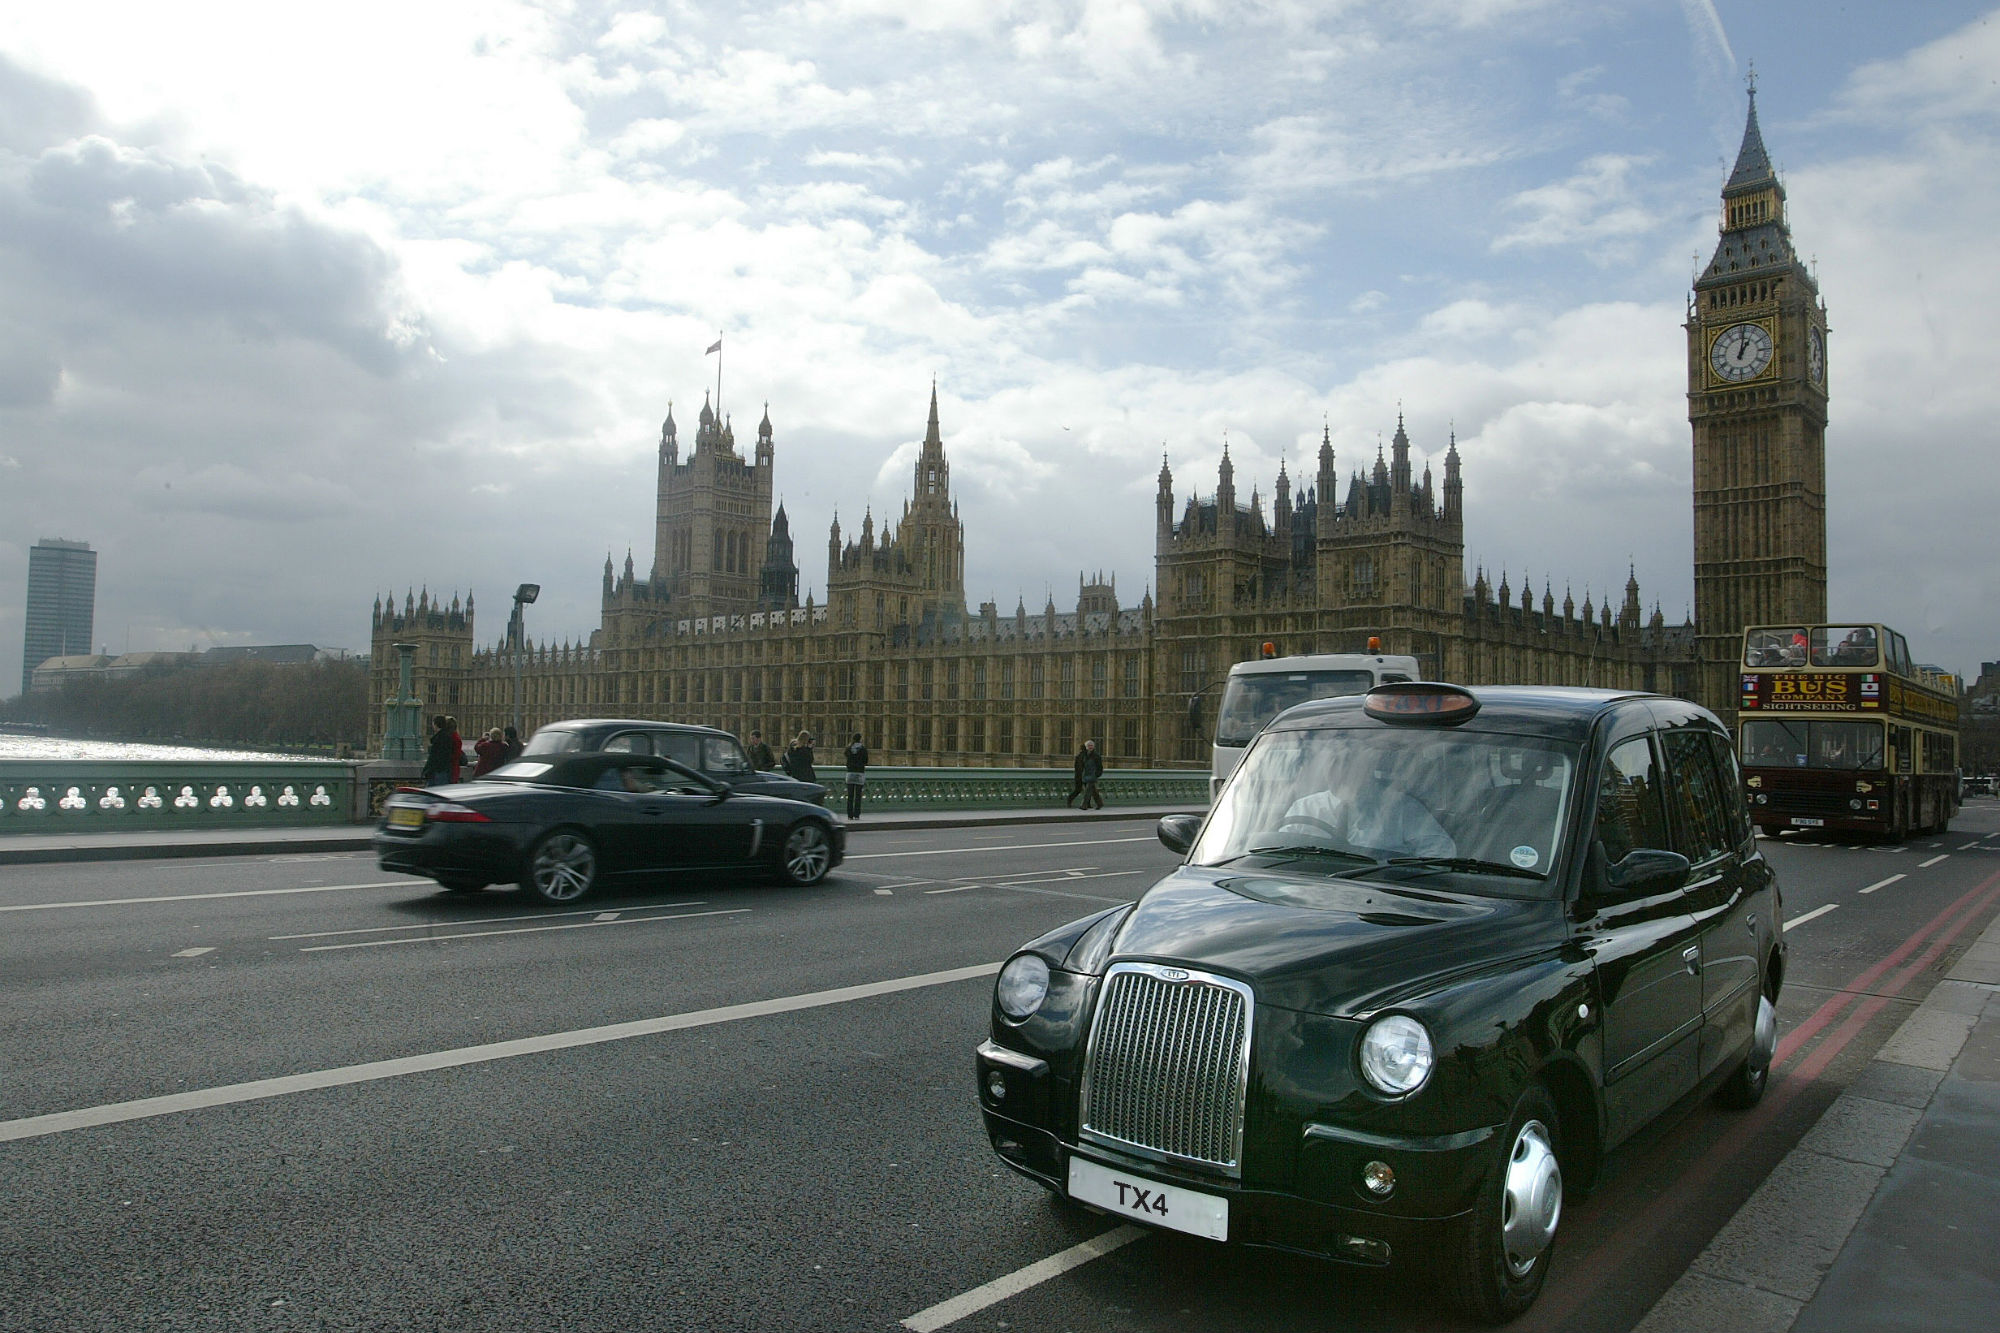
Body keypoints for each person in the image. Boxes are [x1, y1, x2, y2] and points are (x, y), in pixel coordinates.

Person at [421, 714, 455, 786]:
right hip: (440, 770)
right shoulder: (446, 736)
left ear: (436, 724)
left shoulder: (440, 738)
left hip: (438, 771)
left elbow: (435, 756)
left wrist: (427, 769)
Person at [843, 731, 869, 819]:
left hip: (850, 773)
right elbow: (866, 761)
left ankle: (849, 815)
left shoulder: (849, 748)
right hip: (859, 773)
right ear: (860, 739)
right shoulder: (863, 749)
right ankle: (856, 815)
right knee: (858, 795)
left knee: (850, 795)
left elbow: (846, 755)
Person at [1076, 739, 1105, 810]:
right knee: (1093, 791)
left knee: (1087, 791)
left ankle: (1084, 805)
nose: (1090, 747)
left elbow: (1100, 766)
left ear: (1094, 746)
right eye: (1089, 746)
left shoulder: (1096, 755)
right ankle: (1100, 803)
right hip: (1086, 775)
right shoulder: (1085, 755)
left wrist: (1097, 774)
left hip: (1092, 775)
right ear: (1086, 747)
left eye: (1091, 745)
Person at [445, 716, 463, 783]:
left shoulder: (451, 738)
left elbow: (455, 755)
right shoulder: (456, 737)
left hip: (449, 770)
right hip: (453, 769)